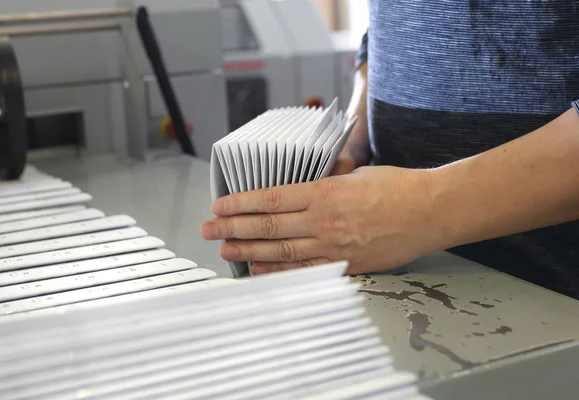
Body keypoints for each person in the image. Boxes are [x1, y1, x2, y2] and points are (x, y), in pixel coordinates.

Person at [201, 1, 579, 300]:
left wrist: (424, 207)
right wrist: (351, 142)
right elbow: (386, 25)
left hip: (556, 292)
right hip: (403, 279)